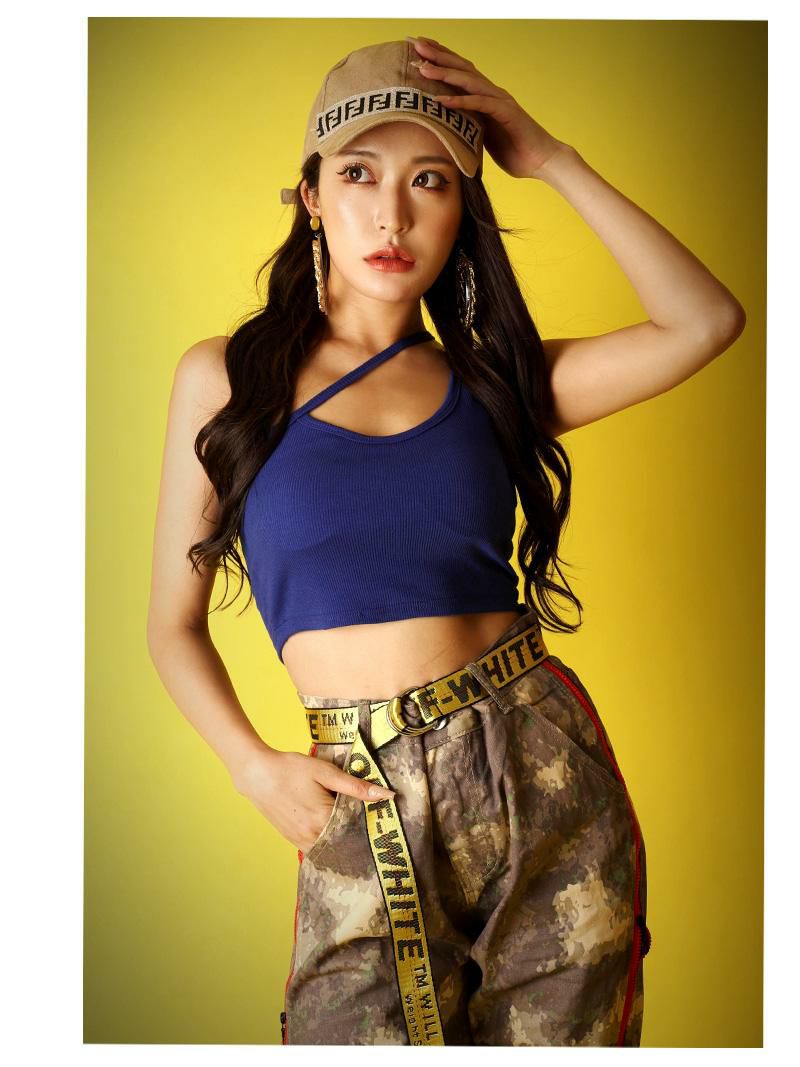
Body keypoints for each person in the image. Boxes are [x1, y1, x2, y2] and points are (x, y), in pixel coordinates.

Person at [147, 36, 746, 1047]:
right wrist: (251, 764)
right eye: (358, 175)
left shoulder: (492, 382)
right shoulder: (227, 379)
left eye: (429, 180)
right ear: (310, 196)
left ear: (462, 207)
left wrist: (549, 157)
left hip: (538, 767)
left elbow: (704, 320)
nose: (392, 215)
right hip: (362, 786)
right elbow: (172, 624)